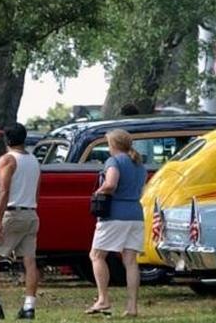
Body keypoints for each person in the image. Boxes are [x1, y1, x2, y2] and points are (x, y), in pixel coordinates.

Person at [0, 123, 41, 320]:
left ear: (7, 139)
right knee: (29, 260)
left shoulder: (7, 159)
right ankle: (29, 306)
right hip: (30, 212)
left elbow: (4, 190)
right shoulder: (33, 160)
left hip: (12, 213)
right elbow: (37, 188)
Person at [87, 128, 146, 318]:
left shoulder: (113, 161)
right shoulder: (138, 164)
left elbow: (111, 184)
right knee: (130, 261)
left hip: (115, 214)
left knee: (97, 255)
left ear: (113, 144)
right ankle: (132, 306)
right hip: (135, 214)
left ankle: (103, 298)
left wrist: (98, 191)